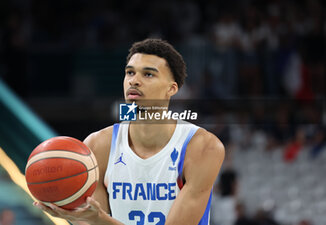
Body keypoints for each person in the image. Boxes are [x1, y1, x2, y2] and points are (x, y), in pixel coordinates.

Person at [33, 39, 225, 225]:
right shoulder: (98, 146)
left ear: (171, 88)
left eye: (148, 74)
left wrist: (98, 220)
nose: (134, 81)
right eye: (130, 73)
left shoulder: (202, 147)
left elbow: (98, 219)